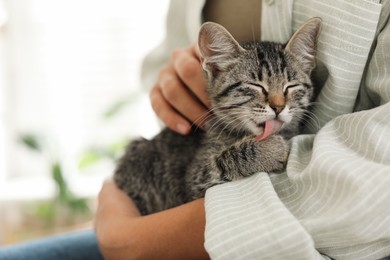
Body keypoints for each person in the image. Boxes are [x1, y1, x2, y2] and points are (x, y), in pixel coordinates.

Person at [1, 0, 390, 259]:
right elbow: (196, 174)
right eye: (260, 90)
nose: (276, 103)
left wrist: (132, 242)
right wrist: (172, 81)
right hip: (149, 214)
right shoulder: (227, 127)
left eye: (288, 90)